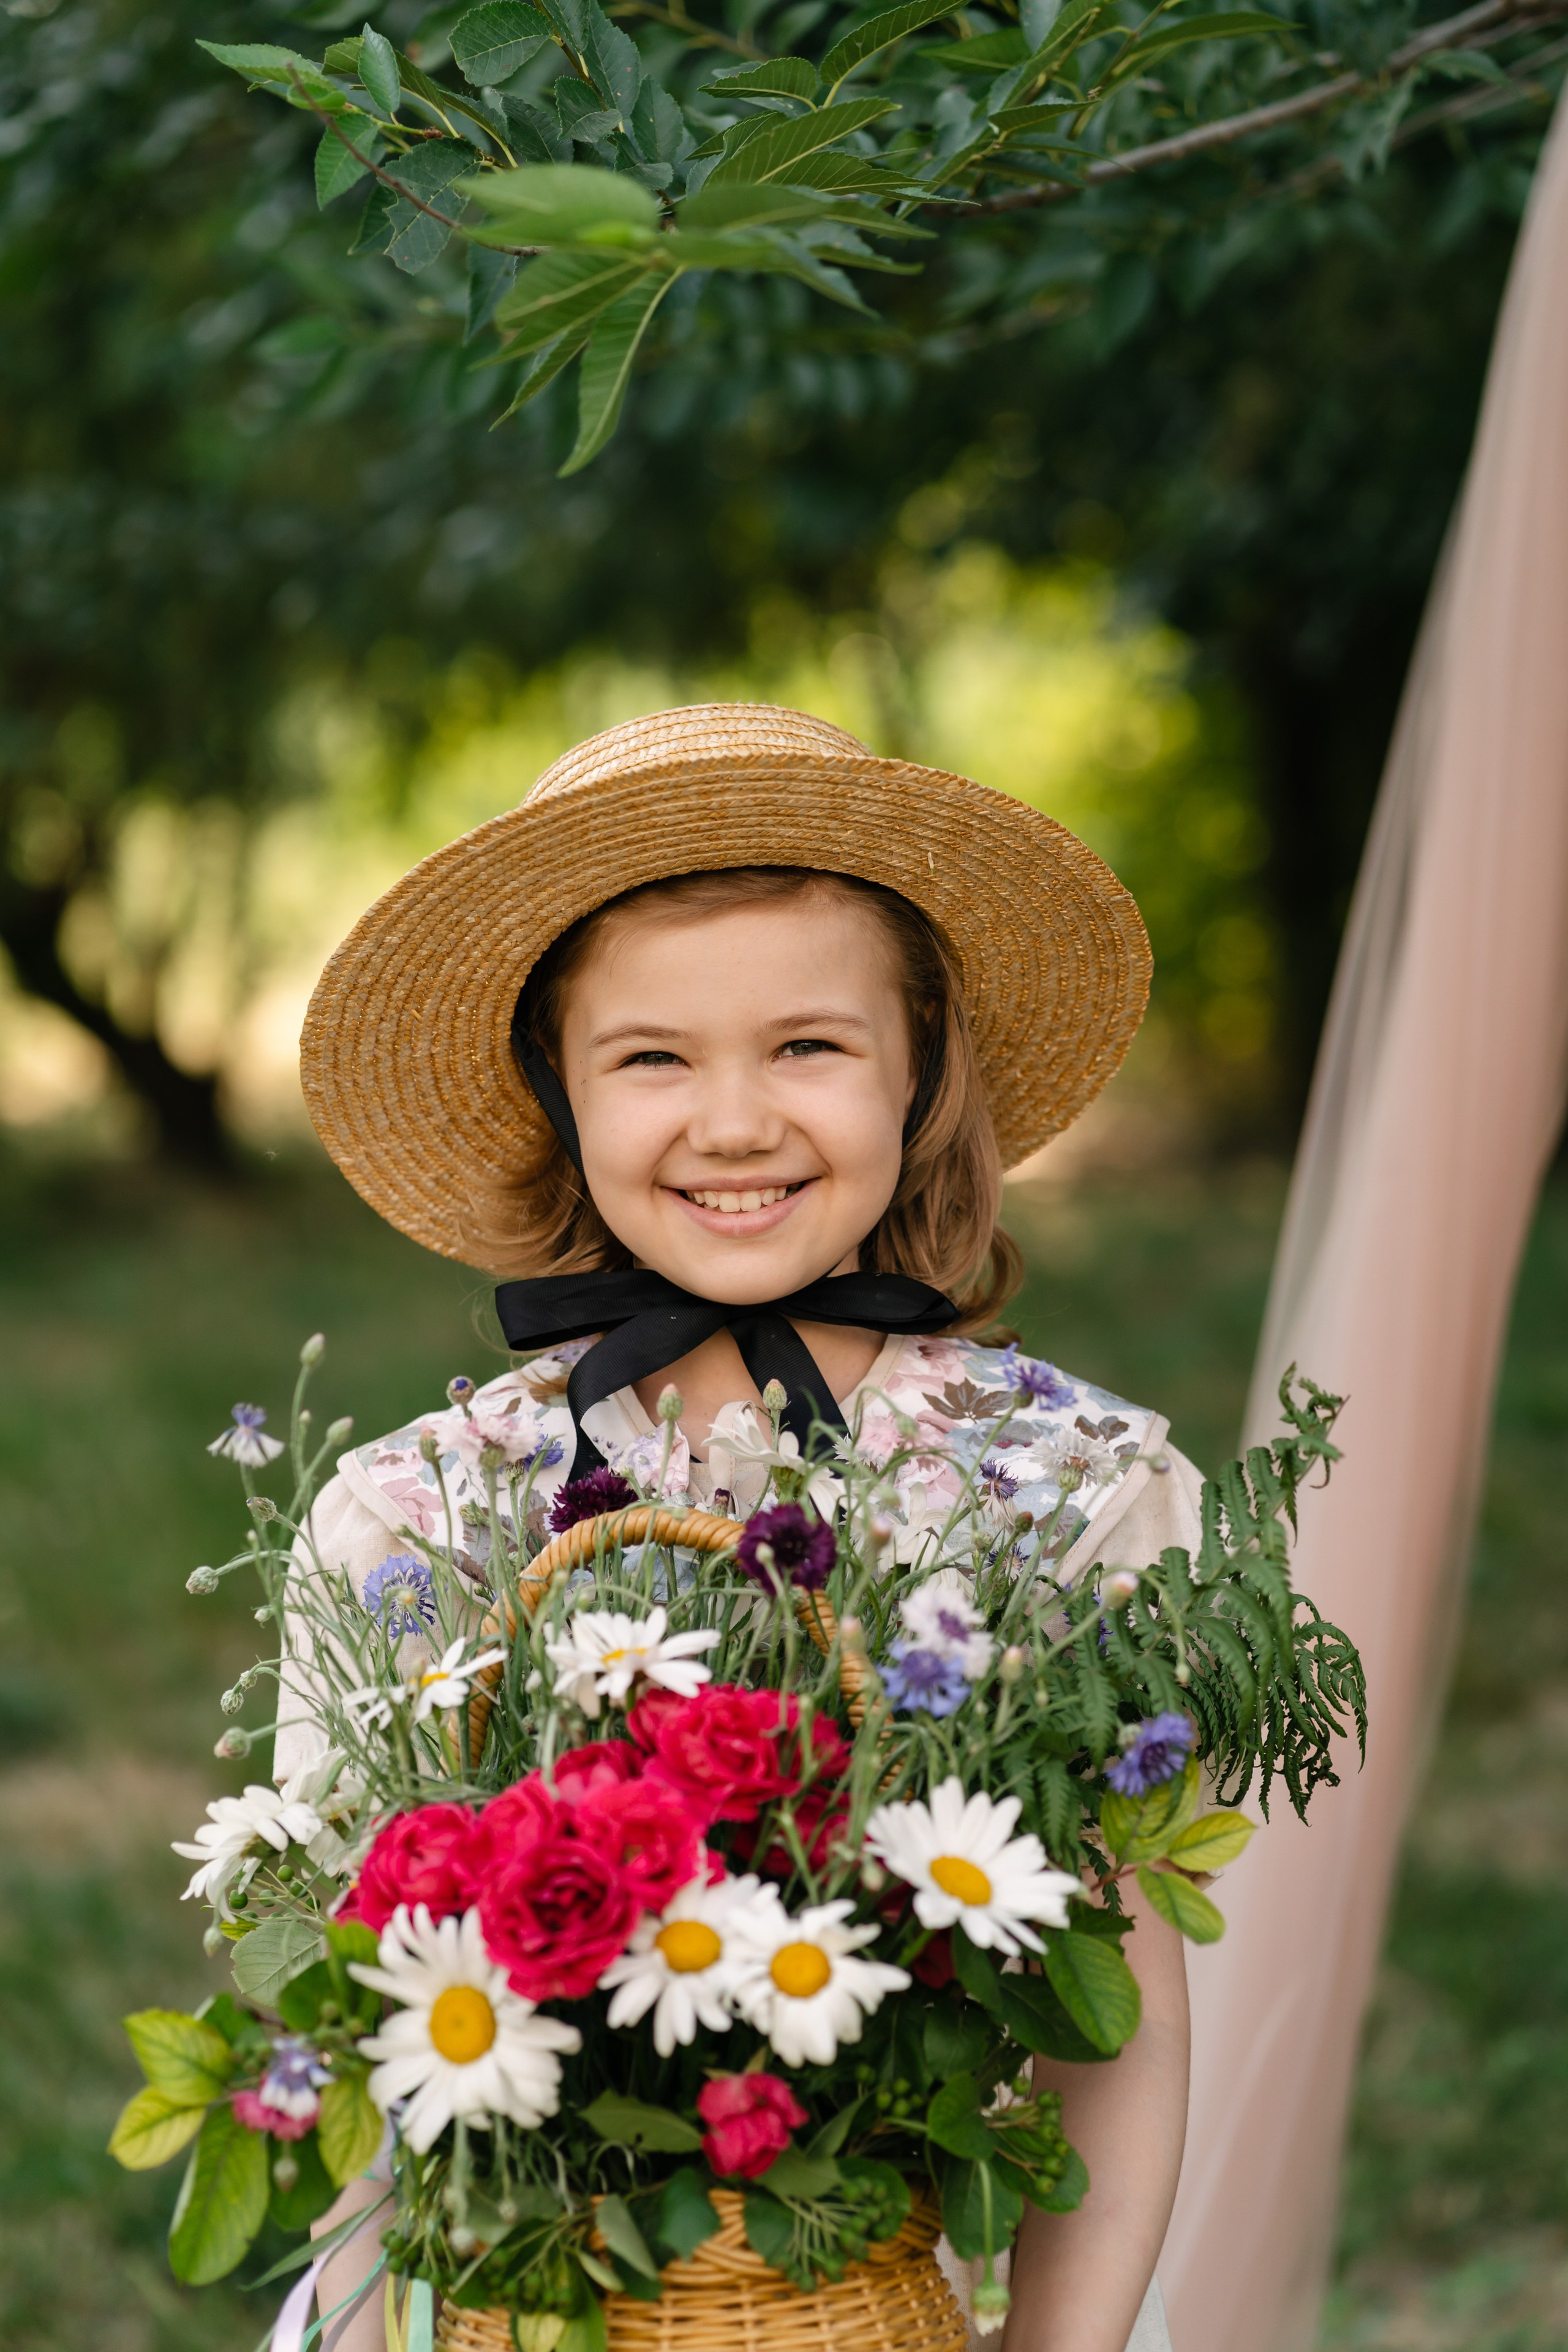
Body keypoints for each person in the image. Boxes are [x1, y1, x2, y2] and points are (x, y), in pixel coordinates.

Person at [283, 703, 1202, 2352]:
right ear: (554, 1091)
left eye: (809, 1046)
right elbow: (363, 2040)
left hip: (864, 2295)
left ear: (919, 1071)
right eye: (651, 1057)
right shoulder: (419, 1519)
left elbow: (1113, 2018)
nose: (733, 1122)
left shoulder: (1060, 1495)